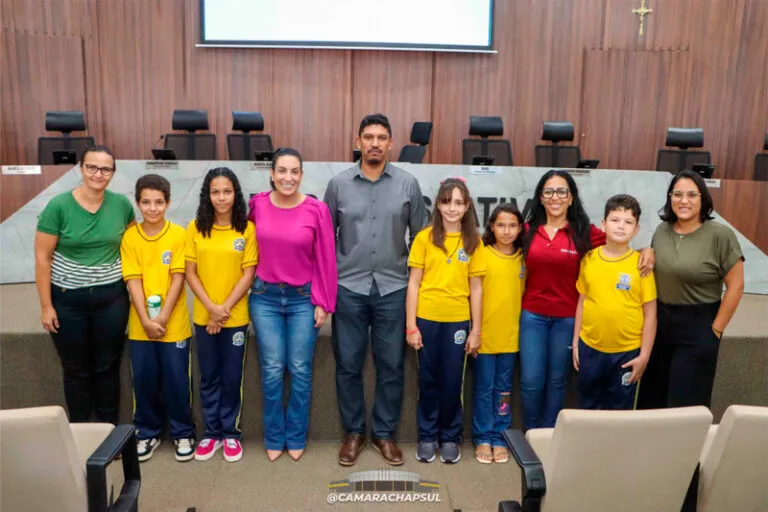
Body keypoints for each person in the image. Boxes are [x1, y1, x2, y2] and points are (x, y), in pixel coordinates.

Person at [323, 113, 429, 467]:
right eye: (368, 137)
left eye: (381, 137)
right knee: (348, 364)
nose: (374, 143)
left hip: (393, 288)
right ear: (358, 142)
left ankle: (384, 434)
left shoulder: (408, 184)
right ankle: (354, 433)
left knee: (392, 365)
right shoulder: (338, 185)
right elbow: (326, 240)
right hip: (348, 287)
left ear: (391, 143)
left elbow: (422, 239)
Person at [519, 169, 654, 430]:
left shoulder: (584, 232)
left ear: (571, 198)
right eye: (549, 191)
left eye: (562, 191)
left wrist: (648, 250)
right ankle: (530, 433)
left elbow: (620, 243)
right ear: (541, 197)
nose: (555, 197)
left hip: (567, 319)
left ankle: (549, 434)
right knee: (531, 381)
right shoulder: (527, 231)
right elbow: (495, 240)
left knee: (557, 381)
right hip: (532, 317)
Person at [248, 148, 337, 462]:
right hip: (265, 298)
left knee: (299, 368)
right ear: (272, 174)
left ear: (301, 175)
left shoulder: (316, 209)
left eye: (294, 171)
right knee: (272, 368)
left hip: (303, 299)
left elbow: (326, 257)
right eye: (282, 171)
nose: (288, 177)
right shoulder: (257, 204)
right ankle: (274, 436)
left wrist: (323, 301)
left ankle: (296, 435)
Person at [34, 145, 134, 424]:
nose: (98, 174)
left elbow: (132, 246)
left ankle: (108, 431)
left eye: (105, 169)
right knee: (75, 368)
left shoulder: (122, 205)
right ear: (81, 168)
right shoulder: (58, 206)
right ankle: (79, 432)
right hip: (67, 300)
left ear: (113, 173)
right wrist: (46, 306)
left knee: (106, 367)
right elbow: (42, 257)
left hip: (111, 298)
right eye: (92, 167)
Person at [638, 171, 744, 410]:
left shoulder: (720, 235)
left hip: (698, 325)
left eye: (691, 195)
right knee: (652, 398)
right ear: (670, 198)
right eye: (677, 194)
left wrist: (716, 329)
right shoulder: (662, 230)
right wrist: (647, 250)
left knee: (685, 402)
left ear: (702, 198)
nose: (683, 201)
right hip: (661, 324)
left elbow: (736, 286)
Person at [406, 177, 486, 464]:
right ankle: (427, 436)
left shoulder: (474, 241)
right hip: (427, 320)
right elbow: (414, 283)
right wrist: (411, 326)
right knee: (427, 380)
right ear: (438, 205)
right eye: (447, 201)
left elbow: (476, 288)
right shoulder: (424, 238)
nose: (452, 208)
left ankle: (450, 437)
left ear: (467, 206)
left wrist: (476, 331)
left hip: (457, 322)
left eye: (459, 203)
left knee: (453, 382)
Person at [120, 174, 196, 462]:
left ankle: (183, 432)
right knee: (144, 380)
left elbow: (178, 278)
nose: (152, 208)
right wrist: (146, 320)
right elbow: (133, 281)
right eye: (146, 202)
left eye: (159, 202)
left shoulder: (178, 234)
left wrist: (162, 317)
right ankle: (147, 432)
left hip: (173, 324)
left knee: (177, 380)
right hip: (141, 326)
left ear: (168, 203)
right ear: (137, 203)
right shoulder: (130, 237)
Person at [185, 168, 257, 463]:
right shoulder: (195, 228)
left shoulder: (246, 229)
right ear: (207, 195)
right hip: (205, 317)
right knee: (209, 376)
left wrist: (223, 310)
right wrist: (212, 310)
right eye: (215, 192)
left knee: (231, 377)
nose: (222, 197)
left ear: (235, 194)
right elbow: (190, 273)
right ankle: (211, 433)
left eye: (227, 191)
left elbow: (248, 274)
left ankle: (230, 434)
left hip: (235, 318)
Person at [572, 194, 657, 410]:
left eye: (628, 222)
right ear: (603, 224)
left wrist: (644, 356)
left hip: (627, 353)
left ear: (636, 229)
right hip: (590, 348)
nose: (621, 226)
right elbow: (582, 302)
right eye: (615, 220)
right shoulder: (589, 259)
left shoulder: (641, 266)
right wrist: (576, 343)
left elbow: (650, 315)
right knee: (588, 407)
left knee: (620, 411)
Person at [472, 203, 525, 464]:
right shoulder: (482, 253)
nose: (506, 231)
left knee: (504, 390)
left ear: (520, 228)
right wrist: (475, 331)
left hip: (512, 337)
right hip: (485, 336)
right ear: (491, 226)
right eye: (501, 225)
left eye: (512, 225)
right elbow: (474, 292)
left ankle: (500, 436)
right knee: (484, 389)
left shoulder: (524, 258)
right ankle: (483, 436)